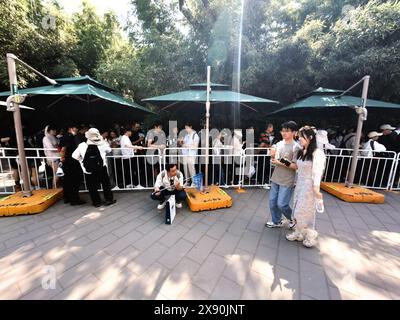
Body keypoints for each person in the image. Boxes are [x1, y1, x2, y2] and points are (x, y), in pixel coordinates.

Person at [285, 126, 326, 248]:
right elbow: (298, 168)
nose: (299, 139)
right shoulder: (300, 151)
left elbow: (317, 172)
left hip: (309, 186)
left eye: (302, 137)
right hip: (300, 184)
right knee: (297, 209)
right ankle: (298, 232)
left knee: (305, 211)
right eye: (299, 136)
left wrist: (316, 189)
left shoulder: (317, 153)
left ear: (310, 137)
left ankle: (310, 235)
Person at [266, 121, 300, 229]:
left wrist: (280, 162)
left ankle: (292, 219)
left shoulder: (296, 147)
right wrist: (272, 152)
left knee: (282, 204)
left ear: (294, 132)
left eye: (287, 131)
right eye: (283, 131)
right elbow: (274, 156)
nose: (284, 133)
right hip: (276, 177)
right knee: (272, 202)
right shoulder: (279, 143)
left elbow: (295, 166)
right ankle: (277, 221)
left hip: (287, 179)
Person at [72, 128, 116, 208]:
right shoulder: (102, 144)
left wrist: (82, 161)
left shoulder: (82, 145)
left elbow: (74, 156)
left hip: (88, 170)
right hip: (101, 167)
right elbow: (109, 150)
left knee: (92, 187)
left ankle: (96, 202)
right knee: (105, 184)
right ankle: (109, 199)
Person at [59, 124, 85, 205]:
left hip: (67, 162)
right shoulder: (70, 137)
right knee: (74, 181)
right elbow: (63, 149)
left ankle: (67, 197)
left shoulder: (64, 136)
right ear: (71, 128)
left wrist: (62, 159)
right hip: (72, 161)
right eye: (76, 128)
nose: (77, 130)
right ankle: (74, 199)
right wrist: (62, 158)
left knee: (67, 180)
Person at [181, 122, 199, 186]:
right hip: (185, 154)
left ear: (190, 127)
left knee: (191, 168)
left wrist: (186, 145)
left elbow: (195, 146)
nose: (186, 129)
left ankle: (194, 182)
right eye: (185, 128)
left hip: (191, 154)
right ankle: (187, 181)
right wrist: (182, 142)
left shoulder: (195, 135)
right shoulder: (186, 135)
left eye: (187, 128)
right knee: (185, 168)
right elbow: (183, 144)